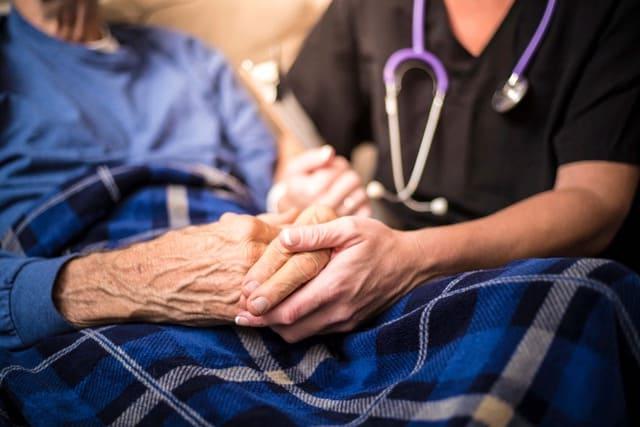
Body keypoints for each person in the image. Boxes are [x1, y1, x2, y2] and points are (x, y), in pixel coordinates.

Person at [235, 0, 640, 343]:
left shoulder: (609, 13)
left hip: (540, 276)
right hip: (381, 269)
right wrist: (298, 189)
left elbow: (596, 201)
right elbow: (304, 134)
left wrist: (411, 259)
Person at [0, 0, 363, 350]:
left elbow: (269, 182)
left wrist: (296, 195)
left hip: (238, 257)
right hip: (76, 287)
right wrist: (133, 281)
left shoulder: (190, 56)